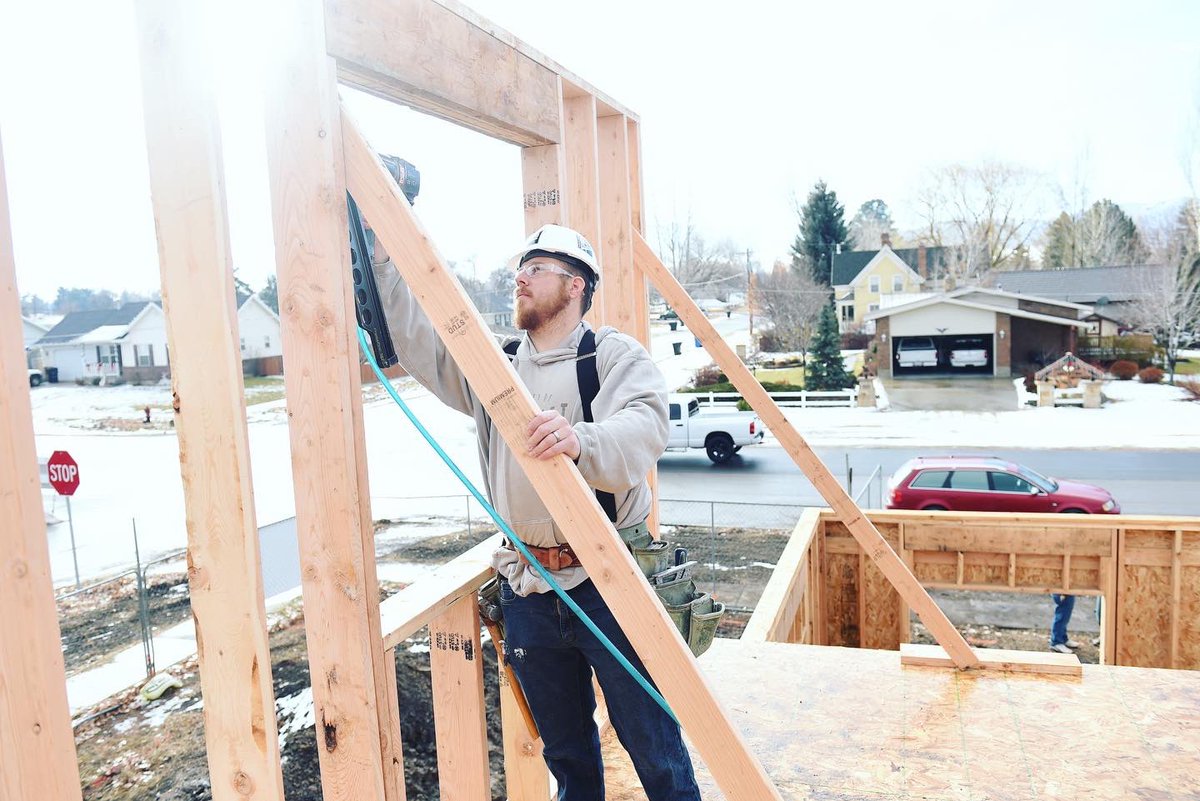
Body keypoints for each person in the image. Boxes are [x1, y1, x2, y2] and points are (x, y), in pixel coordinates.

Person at [371, 223, 701, 801]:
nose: (519, 277)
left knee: (652, 744)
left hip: (607, 581)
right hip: (528, 587)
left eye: (537, 268)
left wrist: (580, 441)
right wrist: (382, 251)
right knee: (567, 754)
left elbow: (645, 428)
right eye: (519, 268)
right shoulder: (495, 368)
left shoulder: (612, 357)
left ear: (575, 285)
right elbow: (420, 343)